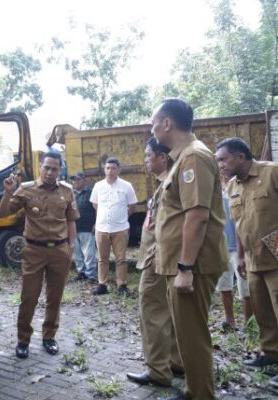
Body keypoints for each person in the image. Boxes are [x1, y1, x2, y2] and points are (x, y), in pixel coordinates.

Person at [152, 98, 227, 399]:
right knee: (187, 335)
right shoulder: (181, 158)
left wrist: (184, 268)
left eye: (154, 121)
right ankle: (196, 389)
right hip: (182, 263)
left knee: (193, 336)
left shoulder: (192, 158)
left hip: (191, 266)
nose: (152, 127)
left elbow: (197, 216)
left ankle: (202, 394)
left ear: (167, 123)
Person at [0, 152, 78, 359]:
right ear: (40, 167)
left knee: (55, 298)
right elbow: (4, 212)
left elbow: (71, 221)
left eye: (55, 168)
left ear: (60, 170)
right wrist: (8, 192)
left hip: (60, 251)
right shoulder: (26, 190)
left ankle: (49, 337)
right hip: (34, 251)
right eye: (47, 168)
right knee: (29, 297)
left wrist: (70, 247)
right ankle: (23, 340)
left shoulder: (67, 191)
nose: (51, 172)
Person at [216, 137, 278, 388]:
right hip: (252, 258)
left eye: (223, 159)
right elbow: (239, 224)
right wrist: (240, 255)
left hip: (275, 255)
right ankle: (270, 353)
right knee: (263, 311)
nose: (220, 164)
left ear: (240, 157)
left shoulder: (272, 173)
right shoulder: (233, 186)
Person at [127, 138, 184, 388]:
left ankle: (158, 372)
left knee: (152, 311)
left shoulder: (171, 182)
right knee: (169, 312)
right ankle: (176, 362)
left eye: (149, 155)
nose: (146, 160)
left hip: (158, 260)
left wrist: (155, 259)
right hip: (161, 258)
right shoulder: (166, 182)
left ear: (163, 157)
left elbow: (169, 228)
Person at [90, 157, 138, 295]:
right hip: (102, 228)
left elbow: (132, 206)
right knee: (102, 259)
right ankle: (102, 285)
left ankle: (121, 285)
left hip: (120, 229)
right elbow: (95, 205)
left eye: (113, 168)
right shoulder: (98, 186)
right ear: (104, 169)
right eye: (107, 168)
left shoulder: (126, 186)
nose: (110, 171)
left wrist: (121, 217)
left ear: (119, 170)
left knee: (121, 259)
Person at [215, 174, 251, 332]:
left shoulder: (239, 185)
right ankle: (230, 320)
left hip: (239, 245)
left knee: (245, 286)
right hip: (221, 244)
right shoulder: (213, 187)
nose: (222, 166)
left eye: (224, 160)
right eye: (219, 162)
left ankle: (248, 323)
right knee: (224, 285)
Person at [71, 172, 98, 283]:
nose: (76, 182)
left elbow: (97, 209)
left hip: (87, 227)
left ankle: (91, 275)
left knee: (89, 254)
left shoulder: (90, 193)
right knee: (77, 254)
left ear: (83, 180)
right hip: (74, 228)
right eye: (74, 180)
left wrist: (96, 224)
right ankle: (81, 272)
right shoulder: (71, 194)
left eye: (78, 179)